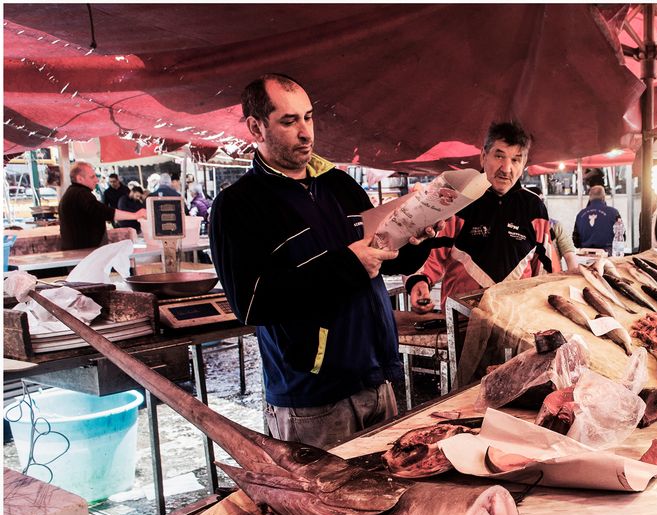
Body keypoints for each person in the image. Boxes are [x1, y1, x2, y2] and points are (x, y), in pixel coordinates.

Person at [210, 73, 442, 449]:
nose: (306, 133)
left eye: (308, 117)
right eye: (289, 121)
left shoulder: (340, 185)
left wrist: (416, 237)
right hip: (312, 398)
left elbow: (384, 257)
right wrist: (348, 265)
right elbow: (251, 303)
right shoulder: (237, 206)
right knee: (327, 505)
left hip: (377, 378)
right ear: (256, 126)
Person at [406, 121, 551, 313]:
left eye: (516, 159)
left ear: (524, 164)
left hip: (517, 318)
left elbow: (545, 267)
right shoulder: (457, 199)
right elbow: (430, 253)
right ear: (483, 157)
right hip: (463, 317)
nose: (506, 169)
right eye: (499, 156)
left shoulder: (534, 207)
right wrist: (419, 281)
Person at [57, 162, 146, 250]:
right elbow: (102, 211)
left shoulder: (74, 193)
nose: (96, 180)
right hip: (82, 253)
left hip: (81, 250)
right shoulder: (80, 194)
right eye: (92, 177)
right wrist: (135, 215)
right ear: (80, 179)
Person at [573, 185, 621, 255]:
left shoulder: (580, 214)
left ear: (590, 197)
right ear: (603, 197)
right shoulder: (614, 213)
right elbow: (621, 236)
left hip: (584, 256)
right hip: (607, 256)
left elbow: (576, 241)